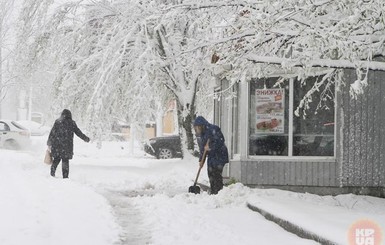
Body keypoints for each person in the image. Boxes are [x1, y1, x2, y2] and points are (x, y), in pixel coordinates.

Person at [47, 109, 90, 178]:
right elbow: (78, 132)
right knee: (65, 161)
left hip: (57, 145)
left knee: (56, 159)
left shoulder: (58, 122)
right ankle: (65, 176)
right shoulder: (72, 123)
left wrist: (49, 142)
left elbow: (52, 133)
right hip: (66, 146)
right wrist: (85, 138)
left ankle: (52, 173)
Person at [193, 116, 229, 194]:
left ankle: (219, 191)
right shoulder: (203, 134)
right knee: (210, 173)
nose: (196, 130)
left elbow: (220, 141)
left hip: (220, 155)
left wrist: (210, 147)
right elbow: (203, 148)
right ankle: (213, 191)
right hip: (212, 156)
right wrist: (201, 161)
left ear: (201, 126)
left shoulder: (214, 129)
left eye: (196, 128)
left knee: (216, 174)